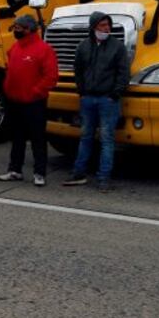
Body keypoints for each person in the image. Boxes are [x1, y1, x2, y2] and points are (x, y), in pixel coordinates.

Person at [63, 11, 129, 191]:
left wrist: (115, 94)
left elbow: (123, 73)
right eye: (102, 25)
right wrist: (82, 92)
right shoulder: (83, 46)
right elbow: (78, 70)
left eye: (108, 25)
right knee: (85, 137)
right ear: (93, 27)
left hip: (108, 100)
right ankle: (79, 174)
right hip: (88, 98)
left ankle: (103, 178)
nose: (106, 28)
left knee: (107, 139)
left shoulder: (117, 47)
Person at [0, 15, 58, 187]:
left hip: (34, 102)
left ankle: (39, 173)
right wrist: (8, 88)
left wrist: (35, 92)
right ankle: (15, 170)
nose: (15, 30)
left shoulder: (44, 49)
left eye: (18, 28)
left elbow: (51, 76)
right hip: (14, 100)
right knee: (17, 138)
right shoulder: (15, 47)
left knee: (38, 138)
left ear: (28, 29)